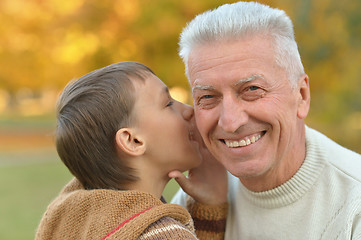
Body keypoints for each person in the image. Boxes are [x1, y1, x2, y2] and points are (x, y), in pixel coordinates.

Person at [171, 1, 361, 239]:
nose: (230, 122)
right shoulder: (202, 194)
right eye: (208, 97)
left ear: (301, 95)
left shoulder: (354, 207)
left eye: (252, 89)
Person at [35, 61, 228, 240]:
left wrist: (208, 208)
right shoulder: (162, 235)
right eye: (168, 104)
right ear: (133, 141)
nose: (189, 110)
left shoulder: (70, 219)